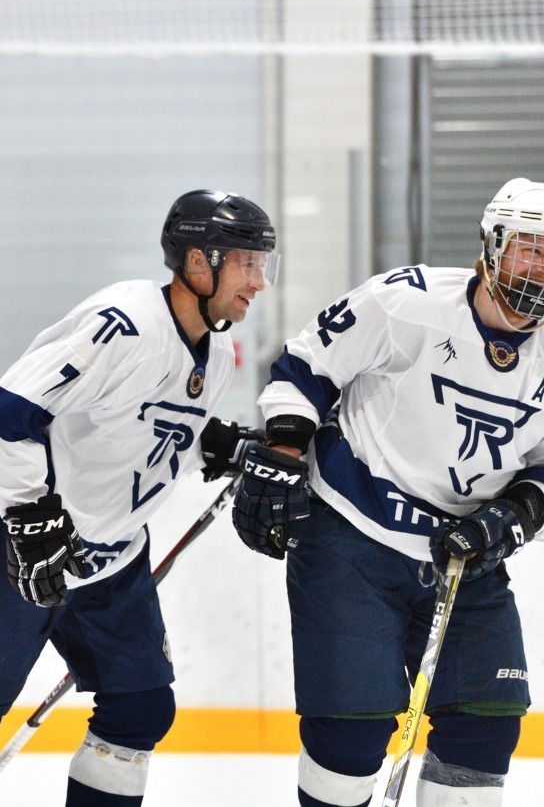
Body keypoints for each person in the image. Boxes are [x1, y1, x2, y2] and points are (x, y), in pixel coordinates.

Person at [0, 190, 280, 806]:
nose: (259, 282)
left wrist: (219, 446)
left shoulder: (218, 351)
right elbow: (3, 415)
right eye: (247, 263)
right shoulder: (123, 323)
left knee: (141, 709)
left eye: (264, 265)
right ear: (199, 261)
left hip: (114, 560)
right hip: (23, 547)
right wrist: (28, 515)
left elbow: (145, 421)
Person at [231, 177, 544, 807]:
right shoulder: (407, 301)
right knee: (350, 734)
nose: (537, 267)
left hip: (466, 556)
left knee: (486, 723)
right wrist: (285, 451)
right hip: (354, 536)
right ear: (492, 244)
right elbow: (305, 368)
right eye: (527, 248)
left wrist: (510, 518)